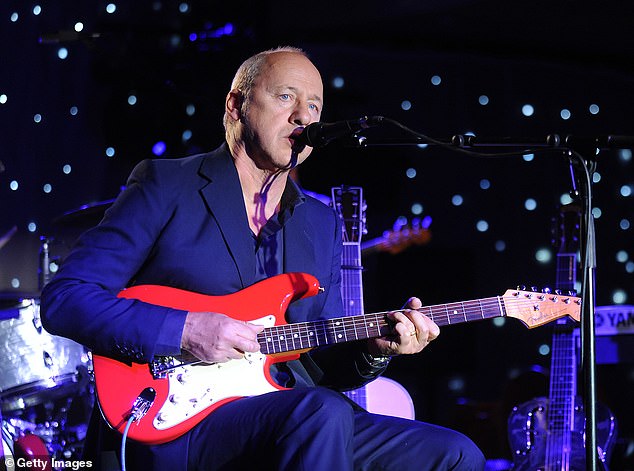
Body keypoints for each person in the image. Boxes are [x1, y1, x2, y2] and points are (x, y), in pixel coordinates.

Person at [41, 46, 485, 470]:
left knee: (455, 453)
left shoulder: (321, 223)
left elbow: (319, 363)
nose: (303, 116)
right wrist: (185, 330)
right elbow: (66, 299)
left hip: (293, 410)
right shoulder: (166, 185)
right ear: (235, 106)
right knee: (321, 412)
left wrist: (374, 349)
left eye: (314, 106)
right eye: (286, 97)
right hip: (178, 419)